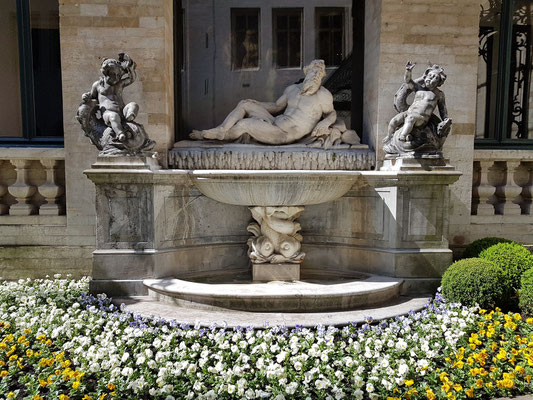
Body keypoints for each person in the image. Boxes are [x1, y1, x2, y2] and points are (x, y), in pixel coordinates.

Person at [190, 60, 338, 145]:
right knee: (244, 103)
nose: (315, 77)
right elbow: (276, 106)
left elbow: (331, 113)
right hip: (274, 122)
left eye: (319, 76)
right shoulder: (292, 89)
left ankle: (206, 135)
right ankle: (221, 130)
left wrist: (324, 123)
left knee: (244, 124)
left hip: (284, 134)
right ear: (307, 73)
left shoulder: (323, 96)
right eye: (313, 74)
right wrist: (257, 103)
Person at [385, 62, 450, 143]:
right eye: (430, 76)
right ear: (425, 77)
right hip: (408, 112)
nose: (431, 79)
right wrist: (408, 71)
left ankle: (403, 135)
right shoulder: (419, 88)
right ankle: (389, 135)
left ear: (438, 82)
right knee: (394, 120)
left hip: (422, 118)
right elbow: (408, 81)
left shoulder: (438, 94)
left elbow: (442, 109)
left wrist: (445, 119)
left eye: (435, 78)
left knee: (411, 118)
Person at [82, 54, 139, 142]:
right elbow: (92, 98)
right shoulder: (98, 85)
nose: (116, 77)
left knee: (133, 105)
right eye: (113, 74)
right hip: (108, 114)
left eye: (118, 75)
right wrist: (85, 96)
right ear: (106, 72)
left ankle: (129, 118)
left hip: (122, 111)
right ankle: (120, 134)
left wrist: (131, 69)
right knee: (114, 116)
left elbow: (131, 79)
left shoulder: (119, 84)